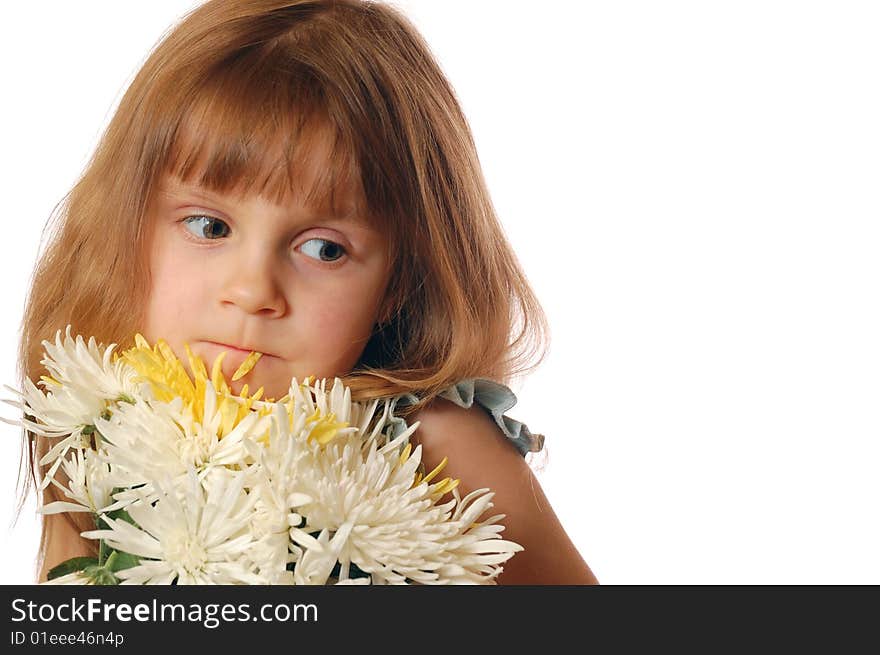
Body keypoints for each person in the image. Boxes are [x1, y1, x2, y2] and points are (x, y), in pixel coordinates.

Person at [18, 0, 598, 585]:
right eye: (209, 227)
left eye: (324, 249)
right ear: (127, 226)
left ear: (399, 282)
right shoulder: (98, 424)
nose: (252, 292)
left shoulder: (439, 443)